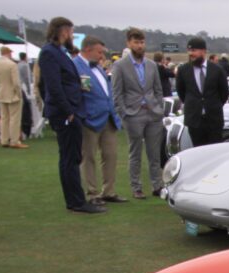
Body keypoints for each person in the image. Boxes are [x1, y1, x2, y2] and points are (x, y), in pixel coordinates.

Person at [39, 17, 103, 213]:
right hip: (67, 114)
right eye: (70, 31)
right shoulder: (49, 53)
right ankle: (76, 202)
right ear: (62, 31)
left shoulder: (60, 52)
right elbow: (52, 86)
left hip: (71, 111)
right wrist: (68, 112)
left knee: (72, 156)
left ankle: (76, 199)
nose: (72, 36)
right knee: (69, 158)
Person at [112, 27, 165, 199]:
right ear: (129, 43)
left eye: (142, 42)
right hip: (133, 114)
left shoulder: (151, 65)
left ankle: (157, 185)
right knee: (135, 153)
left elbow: (158, 89)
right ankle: (136, 187)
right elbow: (117, 92)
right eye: (136, 42)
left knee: (154, 153)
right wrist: (124, 113)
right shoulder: (120, 65)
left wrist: (159, 108)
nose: (140, 46)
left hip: (152, 112)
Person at [73, 36, 125, 205]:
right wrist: (82, 115)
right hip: (89, 120)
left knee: (110, 155)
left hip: (108, 118)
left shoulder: (99, 68)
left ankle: (108, 191)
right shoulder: (75, 66)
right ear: (88, 49)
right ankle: (92, 193)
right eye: (99, 52)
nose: (102, 56)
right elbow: (76, 94)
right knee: (88, 157)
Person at [176, 37, 229, 147]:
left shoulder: (217, 70)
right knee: (199, 152)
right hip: (194, 121)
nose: (191, 53)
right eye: (189, 50)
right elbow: (181, 92)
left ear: (203, 51)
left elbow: (224, 93)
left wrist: (214, 105)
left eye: (194, 50)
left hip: (214, 120)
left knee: (215, 151)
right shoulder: (183, 70)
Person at [0, 46, 25, 148]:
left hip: (1, 92)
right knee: (14, 118)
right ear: (8, 53)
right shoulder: (12, 65)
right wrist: (19, 93)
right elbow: (16, 82)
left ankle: (3, 139)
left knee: (4, 118)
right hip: (12, 94)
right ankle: (14, 140)